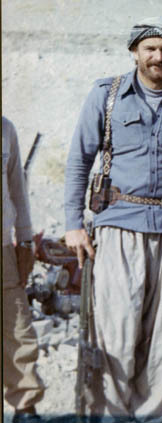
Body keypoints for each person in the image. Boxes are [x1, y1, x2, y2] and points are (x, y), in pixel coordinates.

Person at [64, 17, 162, 420]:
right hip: (118, 226)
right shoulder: (107, 96)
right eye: (150, 48)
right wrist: (73, 224)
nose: (158, 56)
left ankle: (155, 415)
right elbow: (79, 160)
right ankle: (113, 414)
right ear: (135, 52)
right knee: (116, 329)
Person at [2, 117, 46, 423]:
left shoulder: (5, 129)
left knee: (17, 328)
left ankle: (25, 406)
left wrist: (26, 239)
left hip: (4, 248)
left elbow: (17, 187)